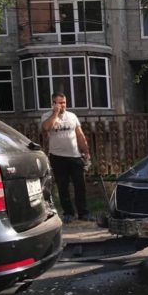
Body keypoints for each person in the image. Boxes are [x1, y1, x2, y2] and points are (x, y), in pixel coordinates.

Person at [41, 93, 92, 222]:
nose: (62, 105)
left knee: (80, 185)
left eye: (64, 102)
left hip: (74, 155)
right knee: (63, 186)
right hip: (57, 157)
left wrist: (85, 151)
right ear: (53, 103)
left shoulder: (72, 116)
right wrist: (55, 114)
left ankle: (83, 212)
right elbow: (46, 128)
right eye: (59, 103)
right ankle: (68, 212)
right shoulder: (47, 116)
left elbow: (79, 135)